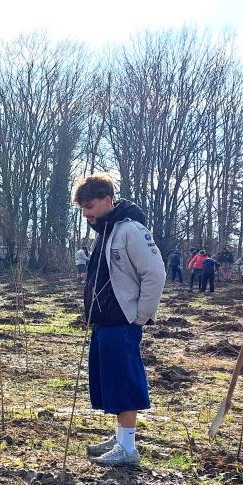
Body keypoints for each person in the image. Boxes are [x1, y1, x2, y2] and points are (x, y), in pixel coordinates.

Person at [76, 174, 165, 467]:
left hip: (122, 321)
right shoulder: (106, 231)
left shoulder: (131, 230)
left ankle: (128, 448)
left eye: (90, 206)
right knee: (111, 382)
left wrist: (140, 316)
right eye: (83, 210)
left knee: (124, 382)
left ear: (107, 200)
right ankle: (121, 437)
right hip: (104, 321)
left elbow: (155, 274)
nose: (87, 214)